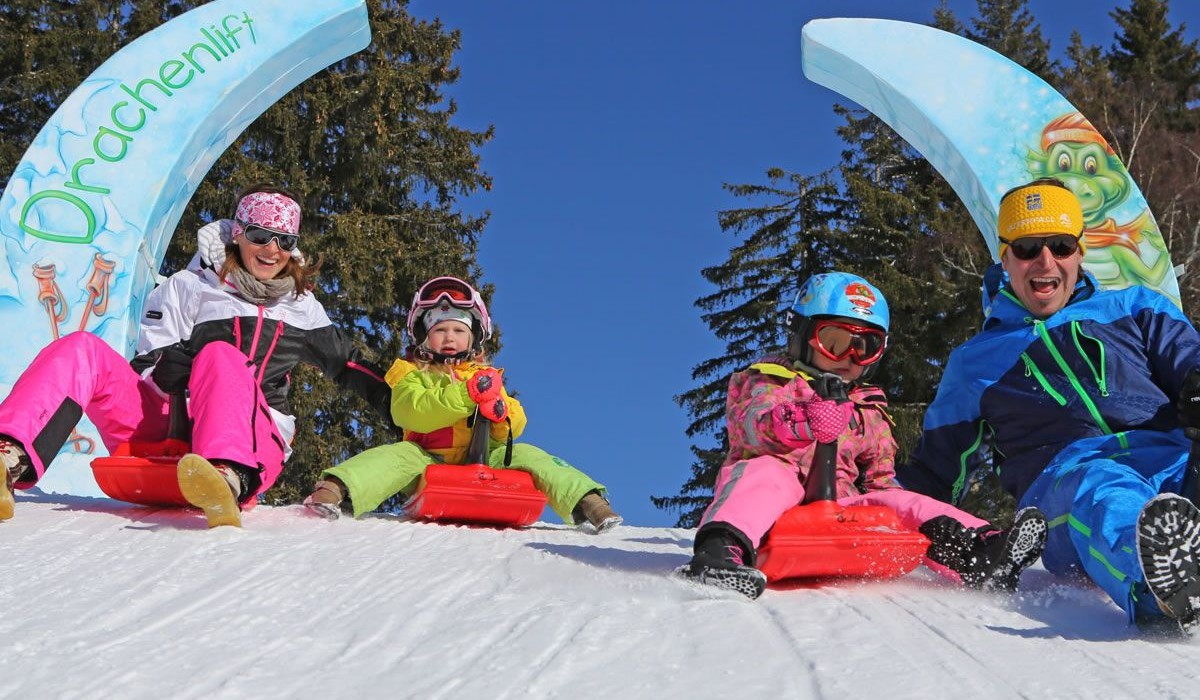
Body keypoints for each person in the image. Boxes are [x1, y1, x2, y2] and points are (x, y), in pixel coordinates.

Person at [898, 177, 1200, 632]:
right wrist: (872, 502)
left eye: (1060, 246)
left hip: (1174, 460)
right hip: (1066, 488)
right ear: (1004, 257)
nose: (1046, 262)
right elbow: (934, 474)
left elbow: (1189, 358)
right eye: (1027, 248)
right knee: (1101, 487)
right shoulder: (976, 363)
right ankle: (1159, 591)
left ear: (1079, 251)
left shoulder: (1135, 307)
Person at [0, 184, 392, 528]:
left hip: (253, 441)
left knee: (222, 355)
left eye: (284, 241)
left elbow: (349, 365)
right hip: (166, 426)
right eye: (259, 235)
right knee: (80, 348)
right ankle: (9, 456)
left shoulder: (300, 306)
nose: (272, 250)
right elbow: (148, 359)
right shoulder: (189, 286)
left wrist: (401, 406)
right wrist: (168, 367)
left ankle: (226, 474)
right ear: (238, 234)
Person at [678, 272, 1048, 600]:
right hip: (780, 511)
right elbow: (750, 428)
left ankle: (980, 552)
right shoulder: (769, 380)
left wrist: (889, 501)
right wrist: (803, 419)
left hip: (838, 508)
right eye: (835, 341)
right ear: (803, 334)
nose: (850, 356)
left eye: (866, 346)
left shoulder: (867, 406)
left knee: (901, 503)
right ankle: (720, 552)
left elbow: (879, 478)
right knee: (763, 475)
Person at [302, 275, 622, 534]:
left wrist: (500, 414)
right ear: (423, 336)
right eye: (440, 330)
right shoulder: (411, 373)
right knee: (395, 456)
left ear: (474, 338)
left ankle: (589, 502)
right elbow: (411, 411)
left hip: (484, 461)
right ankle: (336, 489)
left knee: (531, 455)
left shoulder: (485, 375)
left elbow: (516, 424)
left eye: (458, 330)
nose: (450, 337)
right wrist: (466, 396)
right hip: (429, 460)